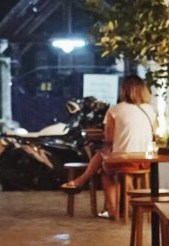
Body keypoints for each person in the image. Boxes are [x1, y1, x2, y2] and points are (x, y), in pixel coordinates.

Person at [61, 74, 156, 219]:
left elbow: (109, 139)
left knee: (106, 169)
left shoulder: (115, 110)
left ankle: (112, 209)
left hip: (124, 161)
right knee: (104, 156)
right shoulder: (150, 110)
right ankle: (82, 182)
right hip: (145, 161)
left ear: (124, 90)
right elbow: (154, 133)